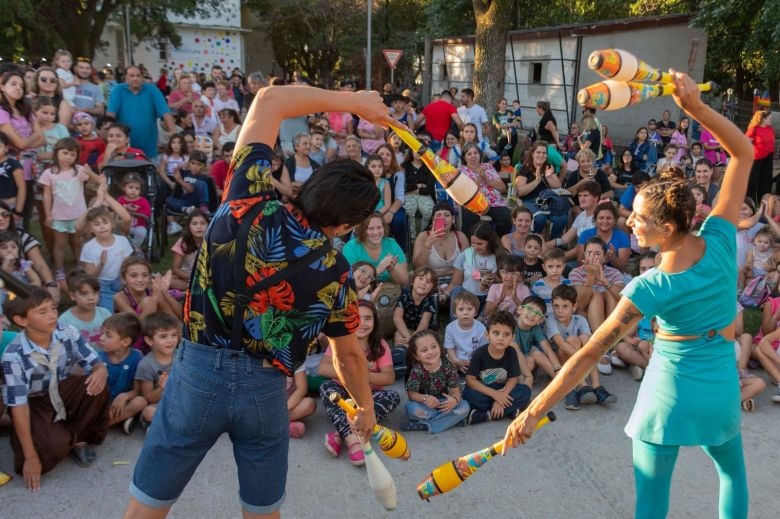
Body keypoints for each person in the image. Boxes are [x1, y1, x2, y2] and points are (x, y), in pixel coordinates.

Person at [124, 85, 392, 517]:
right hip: (265, 389)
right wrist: (365, 411)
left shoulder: (244, 200)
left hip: (195, 374)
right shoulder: (336, 273)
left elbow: (269, 100)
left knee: (149, 503)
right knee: (262, 510)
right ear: (345, 226)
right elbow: (350, 358)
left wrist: (354, 102)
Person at [503, 71, 753, 519]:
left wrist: (534, 410)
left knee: (651, 504)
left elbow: (585, 357)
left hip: (670, 393)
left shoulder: (650, 286)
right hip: (720, 383)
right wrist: (695, 108)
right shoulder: (719, 237)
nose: (628, 219)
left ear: (669, 228)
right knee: (732, 475)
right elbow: (744, 151)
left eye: (638, 217)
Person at [1, 288, 109, 491]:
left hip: (62, 390)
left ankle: (79, 438)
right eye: (43, 312)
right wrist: (31, 457)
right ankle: (58, 434)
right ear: (21, 320)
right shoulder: (13, 356)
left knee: (96, 386)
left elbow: (92, 360)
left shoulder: (66, 331)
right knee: (47, 453)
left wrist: (100, 369)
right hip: (34, 403)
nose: (53, 315)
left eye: (53, 308)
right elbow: (19, 406)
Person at [319, 301, 400, 465]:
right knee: (327, 388)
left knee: (392, 396)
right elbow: (323, 369)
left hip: (369, 398)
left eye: (368, 318)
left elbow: (389, 377)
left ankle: (341, 433)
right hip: (343, 394)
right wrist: (354, 373)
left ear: (375, 322)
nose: (362, 323)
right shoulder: (340, 342)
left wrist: (360, 374)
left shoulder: (381, 345)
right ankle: (354, 441)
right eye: (357, 318)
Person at [38, 138, 103, 285]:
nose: (68, 157)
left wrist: (90, 172)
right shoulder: (49, 173)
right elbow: (47, 196)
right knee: (59, 244)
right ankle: (60, 270)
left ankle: (80, 267)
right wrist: (48, 214)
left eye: (72, 154)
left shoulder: (79, 170)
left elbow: (98, 181)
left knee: (78, 242)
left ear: (77, 156)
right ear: (56, 153)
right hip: (59, 216)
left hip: (78, 216)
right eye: (65, 153)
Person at [464, 310, 532, 425]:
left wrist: (500, 400)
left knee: (525, 391)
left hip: (504, 390)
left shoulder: (511, 352)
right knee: (468, 395)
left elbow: (513, 379)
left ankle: (485, 415)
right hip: (484, 391)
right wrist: (495, 395)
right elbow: (470, 381)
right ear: (487, 335)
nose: (501, 338)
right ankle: (509, 411)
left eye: (506, 334)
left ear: (512, 337)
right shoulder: (479, 354)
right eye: (496, 333)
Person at [402, 330, 469, 432]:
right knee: (411, 407)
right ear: (416, 355)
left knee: (464, 407)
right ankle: (449, 420)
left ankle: (425, 425)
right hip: (425, 405)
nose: (430, 352)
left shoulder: (448, 366)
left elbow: (456, 392)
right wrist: (425, 398)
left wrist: (454, 401)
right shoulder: (416, 370)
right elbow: (412, 394)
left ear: (439, 347)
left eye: (434, 347)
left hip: (444, 403)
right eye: (424, 350)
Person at [106, 66, 175, 160]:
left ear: (142, 77)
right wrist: (110, 135)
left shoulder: (152, 90)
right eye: (132, 76)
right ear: (125, 78)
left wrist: (173, 133)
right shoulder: (118, 90)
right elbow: (111, 114)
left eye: (138, 75)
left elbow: (165, 112)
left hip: (148, 149)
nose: (135, 78)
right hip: (122, 150)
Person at [79, 205, 135, 310]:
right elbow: (91, 278)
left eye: (105, 222)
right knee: (108, 310)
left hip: (121, 280)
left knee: (133, 303)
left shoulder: (122, 241)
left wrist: (124, 279)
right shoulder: (89, 248)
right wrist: (101, 264)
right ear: (91, 228)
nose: (102, 226)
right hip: (102, 284)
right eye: (97, 224)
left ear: (112, 224)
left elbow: (129, 265)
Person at [98, 312, 146, 433]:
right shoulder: (98, 357)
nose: (101, 338)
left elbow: (137, 389)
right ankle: (116, 421)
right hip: (99, 402)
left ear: (125, 342)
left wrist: (124, 396)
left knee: (140, 401)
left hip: (122, 402)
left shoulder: (136, 357)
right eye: (102, 333)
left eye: (108, 335)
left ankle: (101, 426)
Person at [614, 252, 657, 381]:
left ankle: (642, 367)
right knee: (621, 348)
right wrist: (628, 339)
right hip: (641, 342)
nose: (646, 272)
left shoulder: (666, 289)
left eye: (651, 268)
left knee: (649, 347)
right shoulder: (637, 289)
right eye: (643, 268)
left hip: (659, 343)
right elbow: (631, 325)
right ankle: (647, 367)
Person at [445, 221, 501, 315]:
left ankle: (482, 320)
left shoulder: (498, 257)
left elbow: (506, 283)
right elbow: (455, 282)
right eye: (472, 243)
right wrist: (445, 295)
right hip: (468, 295)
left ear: (490, 242)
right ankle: (457, 323)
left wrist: (495, 279)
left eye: (480, 244)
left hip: (489, 297)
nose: (475, 247)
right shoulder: (466, 254)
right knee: (457, 290)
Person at [135, 312, 180, 429]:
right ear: (149, 341)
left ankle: (168, 426)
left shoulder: (181, 356)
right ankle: (155, 425)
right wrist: (162, 388)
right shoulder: (146, 364)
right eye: (163, 336)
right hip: (158, 404)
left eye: (174, 335)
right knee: (149, 412)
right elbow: (148, 398)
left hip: (180, 401)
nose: (170, 340)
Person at [515, 142, 567, 238]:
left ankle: (553, 244)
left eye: (544, 153)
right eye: (538, 152)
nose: (541, 155)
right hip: (529, 200)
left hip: (547, 201)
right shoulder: (525, 168)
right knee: (540, 218)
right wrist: (537, 180)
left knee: (562, 219)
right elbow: (520, 192)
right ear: (533, 154)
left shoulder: (548, 167)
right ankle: (533, 241)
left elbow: (557, 186)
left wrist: (549, 177)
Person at [412, 202, 469, 289]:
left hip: (457, 282)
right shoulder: (423, 237)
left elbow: (468, 267)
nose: (443, 218)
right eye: (438, 215)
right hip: (430, 283)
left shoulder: (460, 237)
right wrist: (427, 244)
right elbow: (417, 268)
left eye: (447, 215)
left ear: (453, 219)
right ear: (433, 219)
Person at [342, 213, 409, 286]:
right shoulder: (351, 248)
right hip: (361, 294)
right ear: (362, 230)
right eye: (371, 228)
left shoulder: (391, 244)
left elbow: (405, 283)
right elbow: (352, 284)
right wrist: (378, 270)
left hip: (389, 292)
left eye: (379, 227)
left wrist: (391, 269)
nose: (376, 232)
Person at [58, 273, 112, 350]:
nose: (91, 298)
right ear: (72, 296)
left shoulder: (105, 313)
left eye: (94, 293)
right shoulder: (64, 320)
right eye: (84, 294)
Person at [393, 266, 438, 350]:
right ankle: (401, 355)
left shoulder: (430, 300)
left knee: (424, 342)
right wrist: (407, 335)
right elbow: (397, 317)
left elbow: (424, 323)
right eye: (420, 279)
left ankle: (415, 356)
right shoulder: (405, 295)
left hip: (425, 331)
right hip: (407, 329)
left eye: (428, 282)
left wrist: (413, 337)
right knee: (398, 334)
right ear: (413, 281)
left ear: (432, 288)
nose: (423, 283)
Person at [577, 203, 631, 272]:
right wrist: (600, 260)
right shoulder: (585, 234)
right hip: (589, 272)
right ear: (595, 220)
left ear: (614, 220)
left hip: (614, 275)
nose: (605, 221)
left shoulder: (622, 236)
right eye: (601, 218)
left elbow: (623, 267)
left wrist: (613, 258)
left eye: (609, 218)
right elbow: (580, 261)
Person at [444, 291, 487, 376]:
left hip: (475, 359)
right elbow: (450, 348)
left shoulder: (481, 328)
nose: (465, 312)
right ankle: (454, 382)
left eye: (469, 309)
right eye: (461, 309)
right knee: (447, 365)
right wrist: (456, 361)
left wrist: (475, 361)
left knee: (487, 369)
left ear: (475, 312)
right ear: (454, 313)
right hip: (456, 358)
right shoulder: (450, 328)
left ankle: (476, 381)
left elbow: (483, 349)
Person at [170, 210, 208, 291]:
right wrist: (193, 277)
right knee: (168, 279)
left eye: (203, 223)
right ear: (189, 226)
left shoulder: (213, 241)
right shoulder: (183, 242)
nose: (199, 227)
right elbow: (176, 269)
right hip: (188, 276)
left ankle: (183, 292)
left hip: (209, 277)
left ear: (209, 225)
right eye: (194, 224)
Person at [531, 247, 571, 316]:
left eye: (558, 266)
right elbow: (534, 307)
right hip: (543, 322)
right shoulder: (538, 286)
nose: (554, 270)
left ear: (564, 267)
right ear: (544, 267)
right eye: (550, 266)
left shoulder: (568, 284)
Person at [745, 109, 775, 203]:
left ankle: (764, 202)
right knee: (753, 181)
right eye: (769, 118)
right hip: (757, 158)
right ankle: (751, 201)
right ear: (763, 119)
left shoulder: (770, 129)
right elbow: (745, 144)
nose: (771, 120)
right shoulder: (754, 129)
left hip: (769, 157)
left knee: (766, 180)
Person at [117, 173, 151, 249]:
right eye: (130, 187)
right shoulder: (121, 200)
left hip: (138, 226)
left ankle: (134, 247)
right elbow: (116, 211)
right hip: (124, 226)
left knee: (141, 232)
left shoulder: (143, 201)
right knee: (117, 231)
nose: (133, 190)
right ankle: (123, 247)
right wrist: (125, 209)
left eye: (137, 188)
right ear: (124, 188)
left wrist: (137, 211)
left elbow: (148, 213)